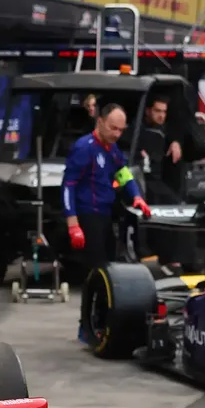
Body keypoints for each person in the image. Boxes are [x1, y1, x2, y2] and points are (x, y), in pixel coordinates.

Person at [65, 103, 147, 284]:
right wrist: (72, 223)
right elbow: (68, 185)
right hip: (88, 214)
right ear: (100, 122)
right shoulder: (83, 148)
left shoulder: (112, 148)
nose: (117, 134)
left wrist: (136, 196)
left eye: (121, 130)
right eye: (113, 128)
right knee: (96, 270)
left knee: (110, 265)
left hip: (106, 214)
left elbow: (123, 173)